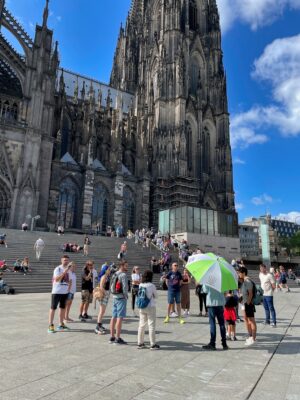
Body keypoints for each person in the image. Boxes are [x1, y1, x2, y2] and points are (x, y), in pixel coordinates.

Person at [48, 255, 71, 333]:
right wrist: (64, 272)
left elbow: (68, 280)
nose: (66, 261)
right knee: (53, 308)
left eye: (67, 260)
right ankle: (50, 325)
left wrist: (68, 289)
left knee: (62, 308)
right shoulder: (57, 269)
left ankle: (61, 324)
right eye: (64, 260)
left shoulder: (69, 270)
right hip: (56, 292)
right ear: (61, 260)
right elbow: (57, 279)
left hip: (64, 292)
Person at [137, 270, 160, 350]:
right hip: (150, 306)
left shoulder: (140, 285)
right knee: (151, 325)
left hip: (142, 306)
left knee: (141, 324)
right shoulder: (152, 285)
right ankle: (152, 344)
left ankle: (140, 343)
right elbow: (156, 296)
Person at [202, 285, 228, 350]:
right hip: (220, 304)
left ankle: (212, 343)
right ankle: (224, 343)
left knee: (212, 324)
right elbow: (225, 292)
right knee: (222, 324)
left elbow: (205, 290)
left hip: (211, 304)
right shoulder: (221, 280)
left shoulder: (208, 281)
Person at [109, 261, 129, 344]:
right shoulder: (123, 275)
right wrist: (126, 296)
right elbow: (125, 287)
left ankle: (112, 336)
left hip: (115, 296)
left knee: (114, 316)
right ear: (122, 266)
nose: (127, 267)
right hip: (121, 297)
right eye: (126, 266)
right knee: (120, 318)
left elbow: (111, 284)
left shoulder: (115, 273)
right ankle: (118, 337)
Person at [238, 266, 257, 346]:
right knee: (247, 319)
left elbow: (250, 294)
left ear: (243, 273)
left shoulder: (247, 281)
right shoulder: (244, 281)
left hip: (248, 304)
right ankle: (250, 336)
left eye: (239, 273)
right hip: (245, 303)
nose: (239, 275)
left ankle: (253, 338)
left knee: (251, 320)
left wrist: (248, 303)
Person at [95, 264, 111, 334]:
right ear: (105, 270)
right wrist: (106, 293)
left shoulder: (107, 277)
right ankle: (97, 326)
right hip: (103, 295)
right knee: (101, 311)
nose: (110, 270)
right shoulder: (104, 277)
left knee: (103, 311)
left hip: (105, 294)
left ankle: (100, 324)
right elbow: (101, 287)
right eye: (108, 269)